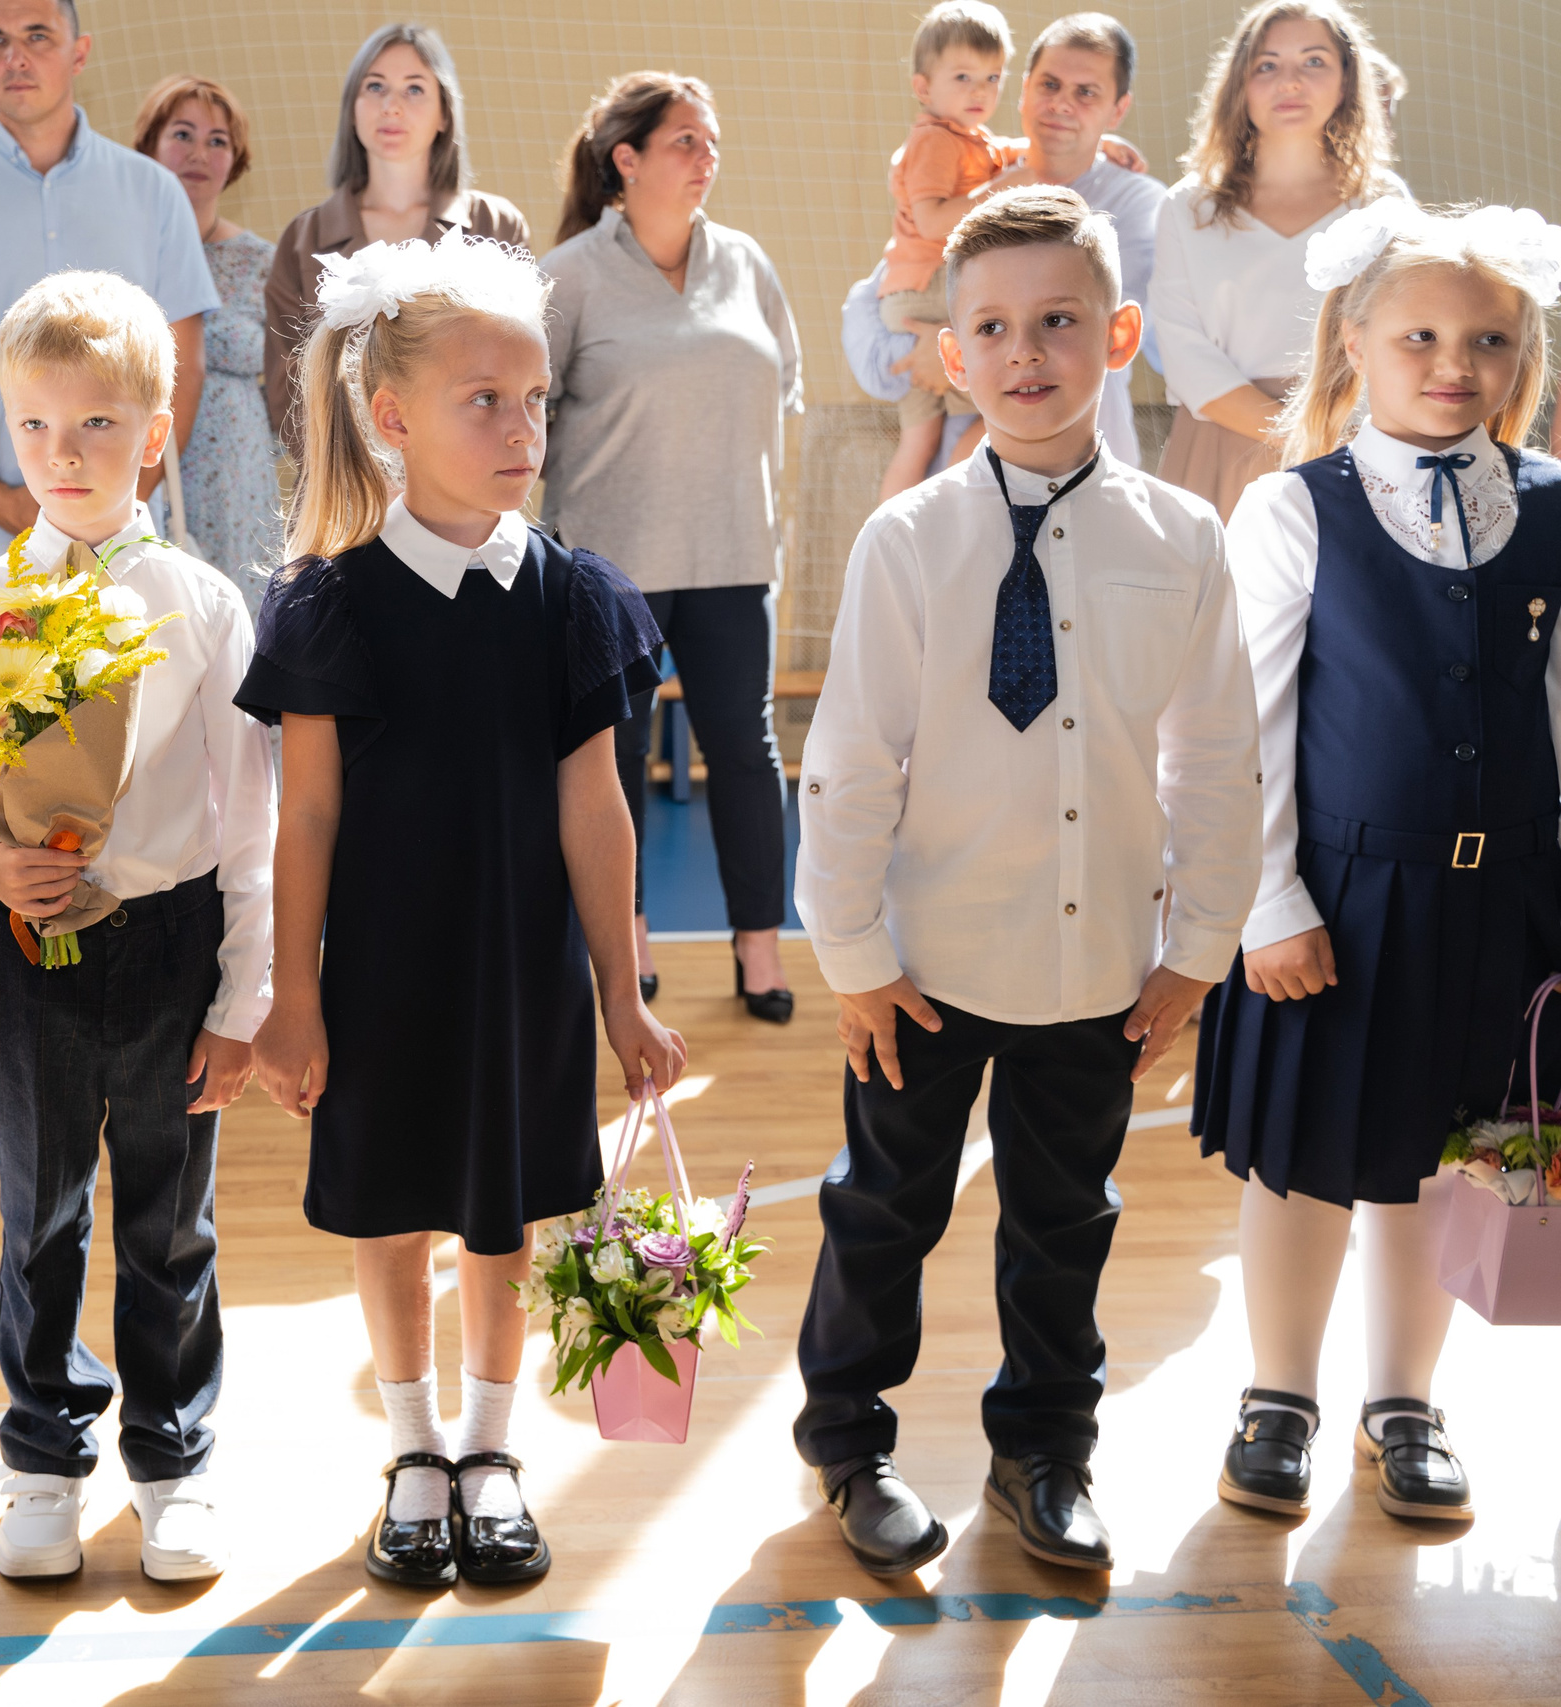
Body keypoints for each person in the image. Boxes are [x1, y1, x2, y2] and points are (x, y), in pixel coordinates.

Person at [792, 187, 1259, 1578]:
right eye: (990, 328)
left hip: (1097, 961)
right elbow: (850, 761)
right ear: (952, 355)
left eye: (1058, 320)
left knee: (1064, 1219)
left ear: (1119, 335)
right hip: (924, 966)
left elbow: (1216, 761)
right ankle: (849, 1442)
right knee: (884, 1207)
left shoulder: (1182, 541)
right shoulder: (908, 540)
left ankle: (1044, 1451)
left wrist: (1199, 947)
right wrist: (853, 956)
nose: (1024, 352)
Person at [243, 232, 680, 1589]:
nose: (520, 428)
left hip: (520, 972)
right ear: (390, 417)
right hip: (384, 972)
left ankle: (491, 1450)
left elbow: (595, 811)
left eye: (534, 398)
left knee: (505, 1215)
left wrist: (623, 994)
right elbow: (306, 817)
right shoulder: (329, 604)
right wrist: (294, 994)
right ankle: (416, 1452)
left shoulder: (571, 596)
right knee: (393, 1210)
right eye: (483, 400)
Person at [1193, 203, 1561, 1526]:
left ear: (1523, 356)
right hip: (1337, 901)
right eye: (1419, 337)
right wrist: (1268, 903)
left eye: (1488, 341)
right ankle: (1277, 1398)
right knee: (1305, 1162)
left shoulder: (1551, 504)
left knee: (1450, 1159)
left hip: (1508, 900)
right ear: (1353, 342)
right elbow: (1243, 727)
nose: (1454, 364)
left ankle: (1405, 1403)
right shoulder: (1295, 509)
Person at [0, 271, 272, 1585]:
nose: (62, 454)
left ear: (155, 430)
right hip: (25, 944)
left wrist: (241, 1001)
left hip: (170, 939)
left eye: (96, 425)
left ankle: (173, 1455)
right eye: (34, 425)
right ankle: (42, 1453)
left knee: (170, 1216)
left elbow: (249, 815)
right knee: (41, 1209)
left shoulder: (201, 602)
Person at [543, 70, 803, 1022]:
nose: (707, 157)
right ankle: (630, 939)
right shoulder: (571, 274)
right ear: (628, 159)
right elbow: (528, 413)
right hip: (610, 566)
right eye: (686, 140)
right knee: (613, 758)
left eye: (711, 140)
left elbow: (785, 385)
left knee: (745, 750)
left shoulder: (748, 262)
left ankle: (760, 946)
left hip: (734, 554)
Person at [0, 0, 218, 620]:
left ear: (79, 52)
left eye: (37, 35)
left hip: (124, 546)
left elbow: (182, 370)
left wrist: (112, 509)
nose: (16, 57)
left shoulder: (154, 193)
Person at [853, 13, 1168, 473]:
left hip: (1081, 469)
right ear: (1023, 89)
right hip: (957, 472)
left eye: (1086, 93)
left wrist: (962, 347)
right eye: (1050, 85)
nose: (1062, 104)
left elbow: (1096, 329)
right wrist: (919, 353)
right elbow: (874, 303)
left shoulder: (1140, 203)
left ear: (1117, 109)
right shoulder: (975, 180)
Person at [1151, 0, 1399, 521]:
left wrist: (1334, 435)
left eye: (1314, 61)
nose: (1290, 82)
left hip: (1352, 447)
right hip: (1221, 447)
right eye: (1267, 65)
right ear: (1239, 84)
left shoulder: (1382, 202)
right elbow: (1184, 352)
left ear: (1347, 81)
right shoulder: (1188, 206)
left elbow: (1401, 332)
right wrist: (1297, 434)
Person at [263, 24, 527, 459]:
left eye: (414, 89)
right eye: (375, 86)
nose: (391, 106)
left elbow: (520, 371)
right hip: (345, 486)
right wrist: (356, 477)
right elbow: (287, 392)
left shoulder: (494, 226)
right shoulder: (304, 237)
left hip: (468, 478)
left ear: (444, 114)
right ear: (352, 109)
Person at [134, 75, 281, 605]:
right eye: (182, 134)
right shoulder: (125, 251)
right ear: (149, 146)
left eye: (217, 141)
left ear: (235, 159)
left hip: (236, 480)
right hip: (142, 464)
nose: (199, 153)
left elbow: (292, 382)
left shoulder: (263, 261)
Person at [874, 2, 1021, 498]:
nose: (980, 91)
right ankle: (943, 512)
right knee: (988, 412)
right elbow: (934, 219)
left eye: (992, 77)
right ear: (923, 88)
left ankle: (901, 523)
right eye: (963, 77)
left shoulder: (971, 139)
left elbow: (1023, 151)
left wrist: (1101, 145)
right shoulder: (936, 141)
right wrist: (1005, 188)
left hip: (913, 291)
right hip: (929, 289)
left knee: (920, 439)